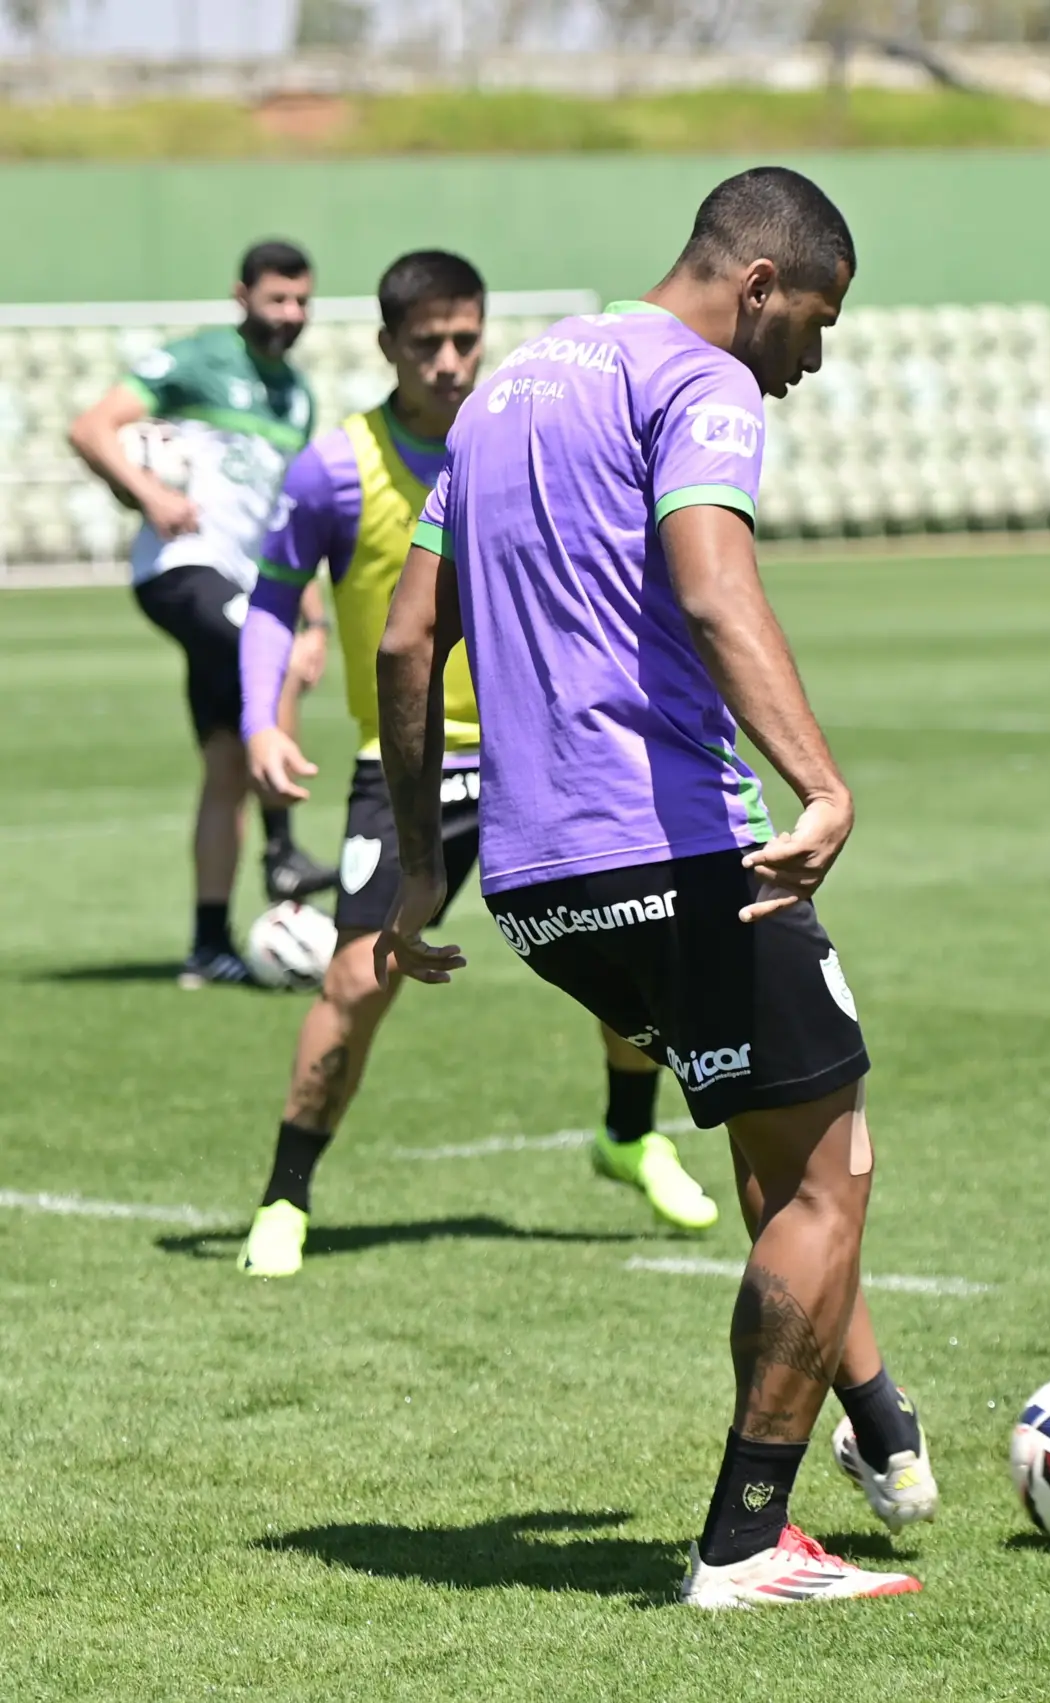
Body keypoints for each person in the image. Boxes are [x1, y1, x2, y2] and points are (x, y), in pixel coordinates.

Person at [376, 168, 934, 1607]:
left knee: (777, 1157)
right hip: (678, 849)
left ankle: (884, 1432)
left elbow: (404, 634)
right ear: (757, 286)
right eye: (815, 321)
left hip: (539, 886)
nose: (812, 360)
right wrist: (822, 780)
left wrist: (421, 867)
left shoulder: (503, 393)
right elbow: (711, 583)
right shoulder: (697, 379)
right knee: (829, 1171)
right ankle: (747, 1539)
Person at [232, 251, 723, 1281]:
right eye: (429, 344)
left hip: (542, 747)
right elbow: (275, 600)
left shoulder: (516, 436)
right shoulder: (335, 465)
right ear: (386, 347)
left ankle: (628, 1135)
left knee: (625, 943)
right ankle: (285, 1193)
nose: (453, 362)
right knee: (359, 977)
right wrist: (261, 721)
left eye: (467, 339)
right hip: (406, 757)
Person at [69, 239, 337, 988]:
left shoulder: (296, 395)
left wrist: (312, 619)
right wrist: (149, 495)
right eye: (276, 298)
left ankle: (207, 945)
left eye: (301, 301)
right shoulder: (196, 360)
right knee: (267, 650)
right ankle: (283, 852)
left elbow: (285, 522)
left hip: (248, 581)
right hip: (184, 571)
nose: (290, 314)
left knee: (226, 764)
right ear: (241, 295)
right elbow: (90, 427)